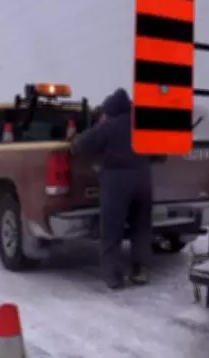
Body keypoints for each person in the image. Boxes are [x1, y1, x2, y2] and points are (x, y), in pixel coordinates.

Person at [71, 88, 152, 290]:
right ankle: (140, 270)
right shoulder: (143, 124)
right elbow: (160, 153)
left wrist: (74, 139)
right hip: (143, 180)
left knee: (112, 230)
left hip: (117, 182)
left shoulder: (108, 126)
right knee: (141, 228)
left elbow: (81, 145)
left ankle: (114, 276)